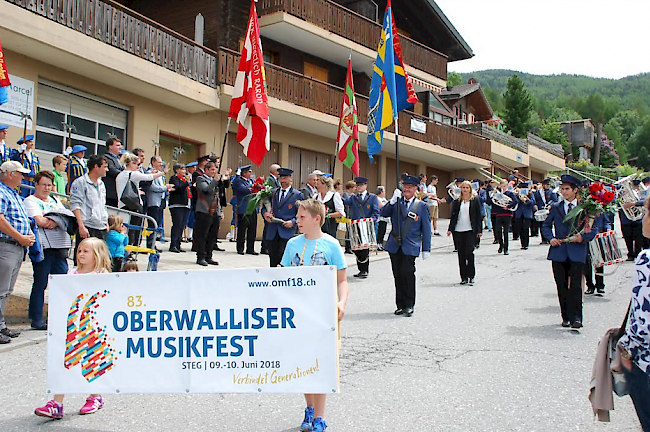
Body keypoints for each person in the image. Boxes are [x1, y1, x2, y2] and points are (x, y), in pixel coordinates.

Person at [280, 199, 348, 432]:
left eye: (301, 217)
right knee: (304, 364)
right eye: (297, 217)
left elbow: (342, 280)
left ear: (316, 219)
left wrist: (341, 302)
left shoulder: (331, 245)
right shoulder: (292, 244)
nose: (297, 221)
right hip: (298, 314)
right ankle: (309, 408)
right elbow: (282, 277)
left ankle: (320, 416)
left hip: (324, 314)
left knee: (322, 365)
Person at [34, 236, 111, 420]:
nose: (81, 254)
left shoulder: (103, 276)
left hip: (93, 328)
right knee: (65, 361)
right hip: (71, 327)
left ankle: (95, 395)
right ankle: (57, 403)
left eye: (86, 251)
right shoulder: (70, 274)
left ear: (97, 255)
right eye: (79, 251)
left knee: (91, 361)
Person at [541, 174, 597, 329]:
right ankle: (565, 317)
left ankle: (577, 318)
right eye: (562, 189)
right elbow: (546, 225)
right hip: (558, 251)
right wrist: (550, 238)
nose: (564, 192)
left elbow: (593, 229)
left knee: (576, 286)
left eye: (567, 189)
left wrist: (583, 238)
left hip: (577, 251)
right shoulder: (556, 207)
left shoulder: (585, 208)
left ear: (575, 190)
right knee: (561, 285)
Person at [617, 197, 650, 431]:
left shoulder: (646, 260)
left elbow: (643, 325)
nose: (643, 218)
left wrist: (626, 348)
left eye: (646, 213)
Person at [23, 171, 72, 330]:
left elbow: (65, 218)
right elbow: (39, 220)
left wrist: (52, 220)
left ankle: (58, 316)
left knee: (62, 282)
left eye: (49, 185)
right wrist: (55, 220)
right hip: (43, 247)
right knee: (41, 282)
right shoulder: (30, 201)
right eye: (43, 184)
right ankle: (37, 319)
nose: (46, 188)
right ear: (36, 185)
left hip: (59, 247)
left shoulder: (55, 200)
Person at [381, 174, 431, 316]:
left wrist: (426, 248)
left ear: (416, 189)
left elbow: (426, 228)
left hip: (411, 245)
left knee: (408, 274)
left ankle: (409, 304)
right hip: (395, 244)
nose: (407, 189)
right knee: (397, 275)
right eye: (405, 186)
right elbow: (383, 213)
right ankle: (400, 304)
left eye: (410, 187)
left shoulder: (421, 206)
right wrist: (391, 201)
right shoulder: (396, 202)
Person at [0, 161, 35, 343]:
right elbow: (0, 219)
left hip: (15, 246)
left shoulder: (13, 193)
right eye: (20, 173)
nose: (23, 177)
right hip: (6, 244)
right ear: (10, 174)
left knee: (6, 290)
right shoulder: (1, 192)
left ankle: (1, 325)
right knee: (1, 289)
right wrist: (20, 237)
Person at [116, 153, 163, 246]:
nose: (138, 167)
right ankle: (129, 251)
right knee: (132, 230)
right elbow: (148, 177)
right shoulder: (133, 174)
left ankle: (124, 251)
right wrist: (163, 172)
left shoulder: (120, 175)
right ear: (131, 163)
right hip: (134, 205)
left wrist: (137, 191)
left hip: (122, 204)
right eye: (137, 165)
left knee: (124, 230)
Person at [69, 155, 110, 264]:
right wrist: (81, 225)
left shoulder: (101, 184)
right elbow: (75, 205)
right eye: (105, 167)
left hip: (100, 226)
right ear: (96, 167)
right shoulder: (80, 182)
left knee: (99, 260)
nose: (107, 170)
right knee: (84, 260)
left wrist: (105, 220)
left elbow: (103, 204)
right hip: (87, 227)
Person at [262, 168, 303, 267]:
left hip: (287, 231)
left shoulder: (297, 195)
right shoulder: (273, 192)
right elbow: (264, 208)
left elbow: (302, 214)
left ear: (291, 178)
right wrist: (265, 214)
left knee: (284, 259)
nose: (283, 180)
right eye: (281, 178)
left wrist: (293, 222)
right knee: (273, 258)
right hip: (272, 230)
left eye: (285, 178)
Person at [343, 177, 379, 278]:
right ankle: (360, 269)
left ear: (366, 185)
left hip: (367, 227)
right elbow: (345, 202)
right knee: (356, 248)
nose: (358, 187)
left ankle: (364, 270)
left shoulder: (372, 197)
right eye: (357, 185)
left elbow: (376, 212)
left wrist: (371, 221)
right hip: (356, 227)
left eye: (361, 185)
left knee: (365, 249)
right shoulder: (353, 198)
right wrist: (334, 194)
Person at [447, 180, 482, 285]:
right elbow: (453, 216)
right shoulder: (457, 201)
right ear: (460, 189)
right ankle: (463, 277)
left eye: (467, 188)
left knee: (469, 253)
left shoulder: (475, 200)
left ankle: (471, 276)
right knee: (461, 254)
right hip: (458, 230)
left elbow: (478, 216)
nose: (465, 190)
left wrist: (479, 230)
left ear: (470, 189)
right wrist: (450, 229)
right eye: (463, 188)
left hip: (470, 230)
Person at [193, 161, 223, 266]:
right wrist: (214, 181)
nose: (214, 172)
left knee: (212, 234)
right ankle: (200, 256)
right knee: (203, 234)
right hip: (204, 210)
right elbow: (206, 190)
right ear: (206, 170)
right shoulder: (200, 179)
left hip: (214, 210)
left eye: (215, 169)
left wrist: (220, 211)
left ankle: (208, 256)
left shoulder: (215, 181)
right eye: (212, 170)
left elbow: (217, 196)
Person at [145, 155, 174, 251]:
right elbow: (153, 187)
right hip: (153, 201)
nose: (161, 164)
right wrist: (166, 188)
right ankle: (150, 244)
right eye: (159, 162)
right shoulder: (150, 173)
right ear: (153, 162)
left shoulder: (160, 174)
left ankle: (153, 243)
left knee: (157, 223)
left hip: (160, 201)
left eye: (161, 162)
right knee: (152, 224)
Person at [233, 165, 258, 255]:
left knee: (252, 229)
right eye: (249, 172)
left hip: (252, 208)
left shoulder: (251, 181)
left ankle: (250, 248)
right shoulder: (239, 181)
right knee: (242, 229)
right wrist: (254, 188)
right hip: (243, 208)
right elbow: (244, 190)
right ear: (244, 173)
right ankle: (240, 248)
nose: (251, 173)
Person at [487, 179, 517, 255]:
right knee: (498, 230)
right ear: (500, 186)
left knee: (506, 231)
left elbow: (515, 201)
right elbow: (489, 203)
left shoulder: (510, 193)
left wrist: (508, 206)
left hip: (507, 214)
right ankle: (501, 245)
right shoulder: (498, 194)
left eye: (504, 186)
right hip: (499, 214)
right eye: (502, 186)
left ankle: (506, 249)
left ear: (507, 186)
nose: (503, 187)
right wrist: (491, 196)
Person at [584, 212, 610, 295]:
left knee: (599, 262)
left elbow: (606, 222)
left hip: (598, 237)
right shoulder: (581, 209)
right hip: (586, 238)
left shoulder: (599, 209)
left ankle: (600, 285)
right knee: (586, 263)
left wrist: (608, 228)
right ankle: (589, 285)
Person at [168, 164, 191, 253]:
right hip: (177, 204)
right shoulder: (174, 178)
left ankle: (178, 244)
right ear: (177, 170)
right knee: (177, 225)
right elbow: (178, 188)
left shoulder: (184, 179)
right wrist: (186, 183)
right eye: (182, 169)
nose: (184, 171)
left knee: (182, 225)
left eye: (185, 169)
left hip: (185, 204)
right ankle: (173, 245)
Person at [533, 179, 558, 244]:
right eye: (546, 185)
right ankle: (543, 239)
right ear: (543, 185)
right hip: (541, 210)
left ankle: (549, 238)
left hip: (548, 210)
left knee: (548, 224)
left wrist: (550, 206)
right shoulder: (538, 192)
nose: (548, 186)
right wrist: (535, 205)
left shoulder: (552, 192)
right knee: (541, 225)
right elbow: (535, 200)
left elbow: (555, 201)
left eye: (548, 185)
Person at [513, 183, 536, 250]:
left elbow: (533, 202)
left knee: (526, 229)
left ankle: (526, 244)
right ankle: (522, 244)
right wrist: (517, 196)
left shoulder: (530, 194)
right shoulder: (517, 194)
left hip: (527, 214)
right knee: (520, 229)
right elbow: (515, 202)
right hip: (519, 213)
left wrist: (527, 200)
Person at [102, 137, 124, 207]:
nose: (120, 147)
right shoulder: (106, 158)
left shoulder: (119, 159)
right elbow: (112, 170)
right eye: (117, 145)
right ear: (110, 147)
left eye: (120, 145)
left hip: (118, 193)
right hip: (110, 193)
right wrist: (126, 175)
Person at [342, 180, 356, 254]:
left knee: (352, 231)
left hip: (352, 215)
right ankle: (348, 247)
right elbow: (347, 204)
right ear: (350, 187)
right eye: (354, 187)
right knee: (348, 232)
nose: (355, 189)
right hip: (348, 215)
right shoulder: (346, 194)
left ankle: (351, 246)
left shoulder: (352, 195)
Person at [376, 186, 389, 250]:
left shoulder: (384, 199)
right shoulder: (377, 198)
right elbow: (382, 206)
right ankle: (378, 244)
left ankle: (380, 243)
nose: (384, 193)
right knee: (380, 231)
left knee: (383, 231)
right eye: (383, 191)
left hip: (385, 218)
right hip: (380, 218)